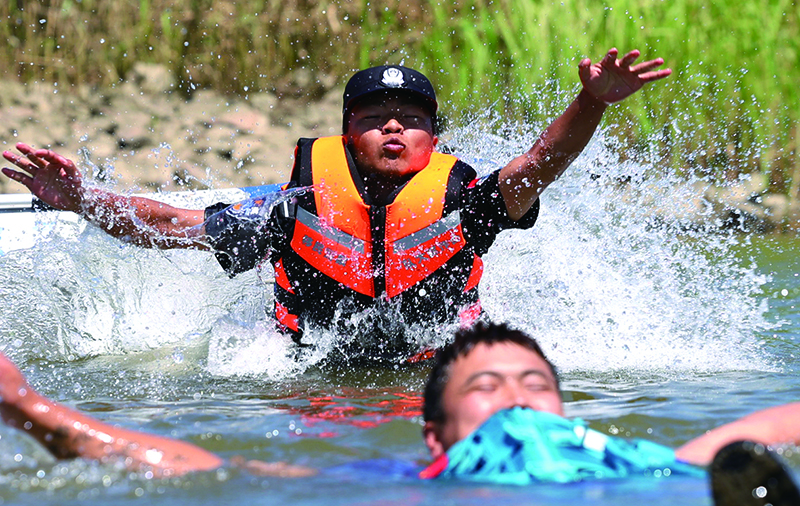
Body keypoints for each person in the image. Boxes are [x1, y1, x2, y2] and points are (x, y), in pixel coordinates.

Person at [2, 49, 671, 354]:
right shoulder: (298, 210)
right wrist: (82, 199)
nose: (390, 126)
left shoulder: (466, 203)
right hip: (307, 361)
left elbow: (537, 166)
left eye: (408, 117)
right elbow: (171, 225)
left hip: (431, 364)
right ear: (347, 132)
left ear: (433, 137)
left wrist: (592, 102)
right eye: (374, 114)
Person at [1, 323, 799, 500]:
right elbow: (212, 469)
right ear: (437, 434)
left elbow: (753, 429)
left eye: (535, 383)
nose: (519, 397)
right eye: (485, 389)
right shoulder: (411, 476)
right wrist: (30, 407)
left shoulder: (631, 459)